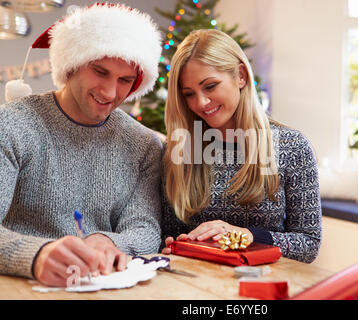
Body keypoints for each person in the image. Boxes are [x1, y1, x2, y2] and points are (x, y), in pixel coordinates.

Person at [0, 3, 163, 287]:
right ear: (71, 64)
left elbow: (145, 229)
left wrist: (109, 240)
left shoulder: (144, 144)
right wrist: (36, 255)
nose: (110, 92)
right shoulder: (13, 125)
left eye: (125, 80)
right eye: (100, 72)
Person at [160, 29, 321, 263]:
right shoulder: (178, 149)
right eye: (189, 94)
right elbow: (169, 233)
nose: (201, 103)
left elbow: (308, 244)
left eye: (210, 86)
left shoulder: (291, 147)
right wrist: (175, 245)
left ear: (241, 76)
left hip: (262, 286)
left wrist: (247, 236)